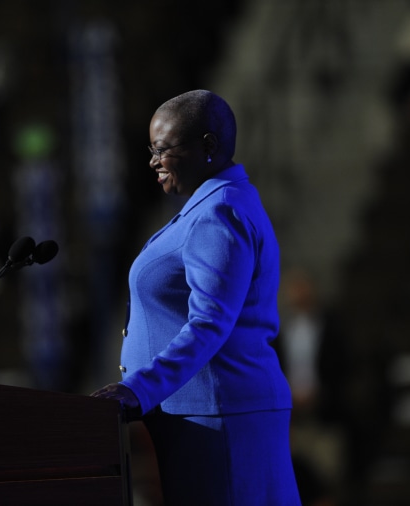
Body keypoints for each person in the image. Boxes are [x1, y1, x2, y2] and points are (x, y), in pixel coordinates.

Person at [91, 90, 301, 505]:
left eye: (163, 150)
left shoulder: (219, 212)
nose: (152, 161)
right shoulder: (211, 206)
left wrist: (139, 389)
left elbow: (210, 322)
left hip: (220, 416)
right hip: (207, 414)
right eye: (150, 150)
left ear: (207, 146)